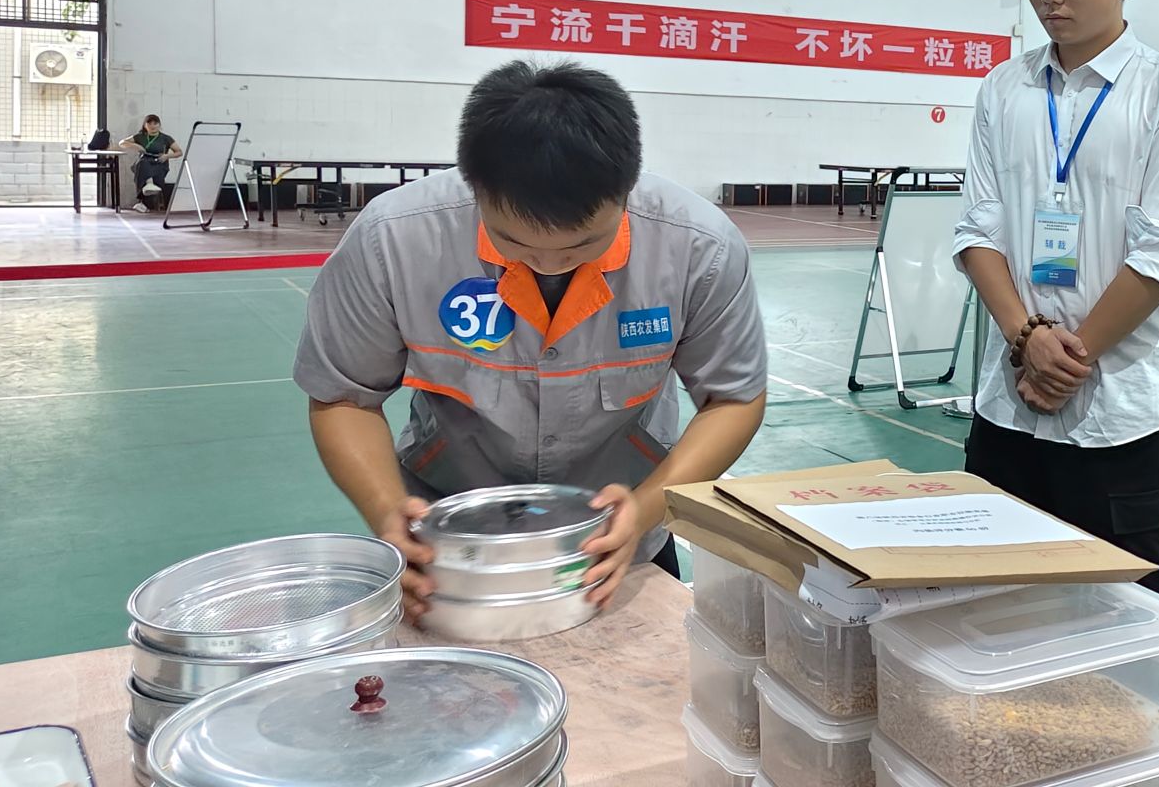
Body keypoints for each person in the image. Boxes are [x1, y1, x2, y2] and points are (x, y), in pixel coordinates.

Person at [295, 60, 768, 621]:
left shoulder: (699, 249)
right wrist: (386, 510)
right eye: (513, 241)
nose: (549, 263)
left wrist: (644, 511)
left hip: (617, 541)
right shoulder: (392, 241)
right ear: (475, 189)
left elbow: (733, 399)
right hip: (449, 543)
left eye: (582, 245)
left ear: (627, 189)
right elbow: (344, 398)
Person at [953, 0, 1159, 598]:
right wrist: (1025, 339)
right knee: (989, 603)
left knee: (1123, 616)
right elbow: (977, 228)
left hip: (1117, 417)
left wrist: (1068, 359)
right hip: (1008, 408)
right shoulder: (1002, 89)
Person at [119, 115, 180, 212]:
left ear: (159, 125)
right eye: (149, 123)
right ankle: (149, 184)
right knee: (142, 163)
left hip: (159, 163)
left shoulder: (166, 138)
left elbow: (179, 152)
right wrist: (136, 146)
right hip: (144, 163)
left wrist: (166, 156)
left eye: (155, 123)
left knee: (145, 174)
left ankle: (143, 203)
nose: (152, 126)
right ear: (145, 125)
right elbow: (122, 143)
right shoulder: (140, 136)